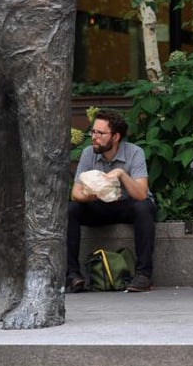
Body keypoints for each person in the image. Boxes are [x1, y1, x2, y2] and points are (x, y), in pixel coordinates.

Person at [66, 109, 156, 293]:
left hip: (127, 205)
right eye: (93, 132)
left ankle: (143, 276)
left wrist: (122, 174)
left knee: (144, 207)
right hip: (99, 205)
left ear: (115, 137)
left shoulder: (134, 153)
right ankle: (72, 276)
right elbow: (75, 193)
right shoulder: (87, 154)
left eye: (100, 133)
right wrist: (91, 194)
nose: (94, 137)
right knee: (71, 209)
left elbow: (141, 194)